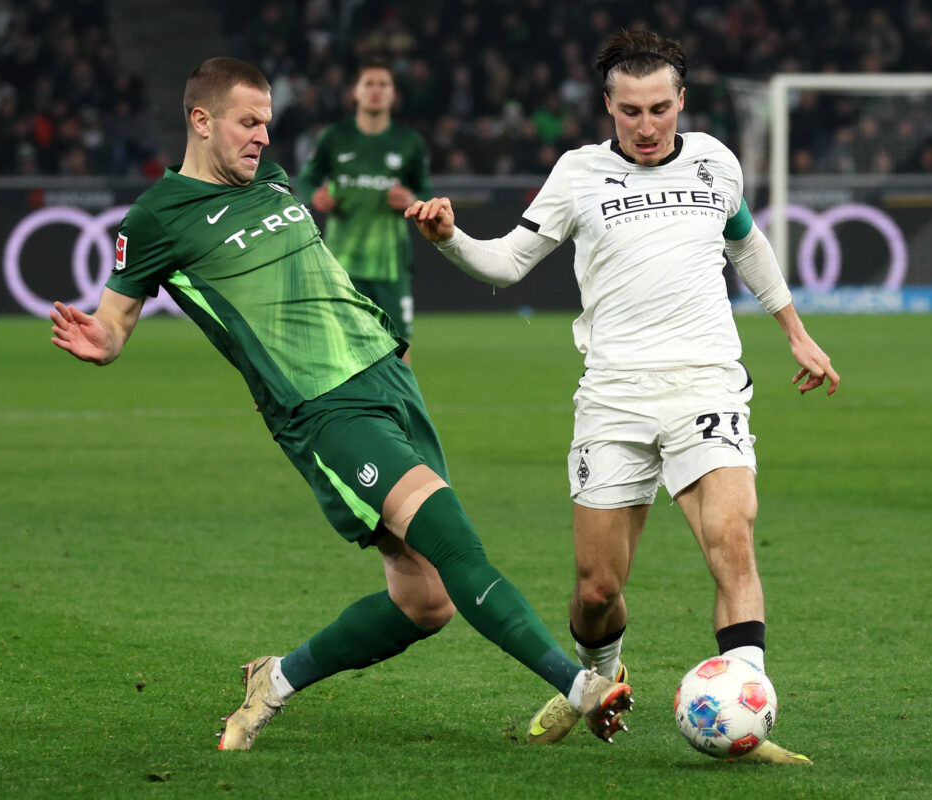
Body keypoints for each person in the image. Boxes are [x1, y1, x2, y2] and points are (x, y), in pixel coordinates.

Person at [49, 57, 631, 752]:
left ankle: (276, 679)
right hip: (320, 408)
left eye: (267, 121)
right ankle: (579, 685)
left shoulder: (270, 178)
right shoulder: (154, 219)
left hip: (386, 373)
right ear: (200, 121)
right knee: (453, 541)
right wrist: (105, 339)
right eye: (247, 121)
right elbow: (115, 321)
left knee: (426, 601)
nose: (263, 135)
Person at [406, 28, 838, 764]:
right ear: (607, 104)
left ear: (681, 102)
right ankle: (600, 678)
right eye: (631, 110)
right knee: (597, 588)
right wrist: (450, 237)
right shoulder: (577, 174)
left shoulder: (715, 161)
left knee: (733, 540)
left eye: (660, 109)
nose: (646, 126)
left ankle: (748, 705)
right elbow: (507, 263)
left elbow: (747, 242)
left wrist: (794, 329)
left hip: (707, 381)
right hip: (613, 397)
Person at [297, 57, 430, 362]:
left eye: (383, 84)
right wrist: (315, 194)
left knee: (398, 346)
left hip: (390, 263)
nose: (376, 90)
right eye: (368, 83)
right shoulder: (335, 136)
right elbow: (307, 178)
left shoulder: (408, 142)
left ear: (393, 94)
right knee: (335, 344)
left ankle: (400, 408)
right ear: (355, 92)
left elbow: (426, 192)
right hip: (341, 263)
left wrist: (413, 199)